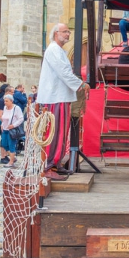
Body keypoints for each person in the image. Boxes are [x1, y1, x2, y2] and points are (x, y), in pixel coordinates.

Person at [37, 24, 89, 180]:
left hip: (61, 97)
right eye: (65, 31)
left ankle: (56, 163)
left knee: (61, 131)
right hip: (54, 98)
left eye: (69, 31)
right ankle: (48, 166)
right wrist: (81, 84)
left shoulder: (59, 51)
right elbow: (64, 72)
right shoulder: (53, 50)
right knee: (53, 132)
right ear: (56, 33)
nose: (68, 34)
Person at [0, 94, 24, 169]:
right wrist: (2, 125)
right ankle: (12, 157)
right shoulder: (5, 108)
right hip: (5, 129)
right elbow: (4, 118)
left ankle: (11, 162)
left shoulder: (16, 108)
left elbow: (21, 119)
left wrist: (13, 125)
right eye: (4, 101)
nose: (5, 102)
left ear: (11, 101)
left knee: (11, 145)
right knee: (4, 144)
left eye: (7, 101)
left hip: (12, 130)